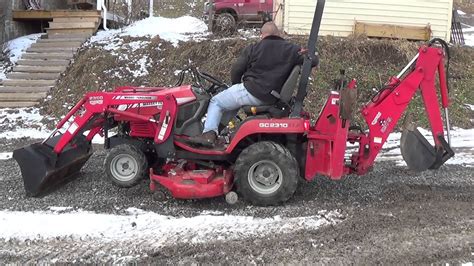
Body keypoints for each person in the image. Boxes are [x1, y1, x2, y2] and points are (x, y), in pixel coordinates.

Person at [189, 22, 319, 147]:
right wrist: (308, 53)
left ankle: (208, 134)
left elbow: (237, 69)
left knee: (216, 102)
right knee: (232, 103)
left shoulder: (254, 48)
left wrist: (235, 84)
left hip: (253, 91)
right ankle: (218, 133)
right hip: (273, 96)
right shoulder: (291, 49)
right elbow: (312, 60)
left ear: (262, 35)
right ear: (279, 34)